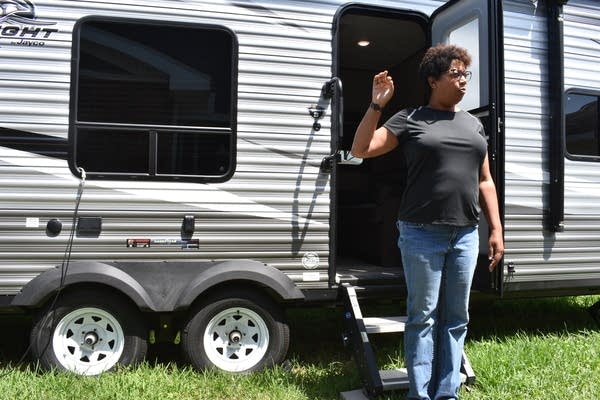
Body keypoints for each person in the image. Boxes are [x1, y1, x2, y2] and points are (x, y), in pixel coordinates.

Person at [350, 44, 504, 400]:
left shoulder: (473, 124)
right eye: (455, 74)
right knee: (422, 317)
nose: (464, 80)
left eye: (466, 74)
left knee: (457, 317)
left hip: (465, 234)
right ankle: (419, 395)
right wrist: (377, 104)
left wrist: (495, 229)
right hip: (421, 234)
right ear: (433, 80)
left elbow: (485, 180)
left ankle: (447, 392)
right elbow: (362, 149)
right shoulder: (411, 117)